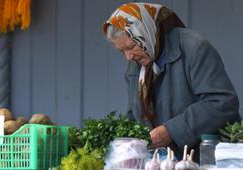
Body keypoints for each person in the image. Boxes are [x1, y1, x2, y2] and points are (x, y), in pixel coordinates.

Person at [103, 2, 241, 162]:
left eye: (131, 46)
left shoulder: (194, 48)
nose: (128, 56)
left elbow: (222, 102)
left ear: (146, 31)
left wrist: (171, 131)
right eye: (122, 51)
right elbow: (133, 118)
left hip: (209, 159)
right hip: (163, 161)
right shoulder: (137, 64)